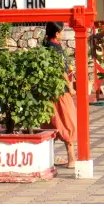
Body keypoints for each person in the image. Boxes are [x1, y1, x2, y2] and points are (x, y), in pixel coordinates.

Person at [42, 22, 77, 168]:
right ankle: (71, 159)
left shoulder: (45, 47)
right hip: (61, 91)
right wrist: (70, 87)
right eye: (62, 31)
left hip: (48, 91)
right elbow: (61, 70)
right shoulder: (55, 48)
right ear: (57, 34)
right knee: (68, 123)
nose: (63, 34)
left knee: (51, 123)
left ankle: (49, 158)